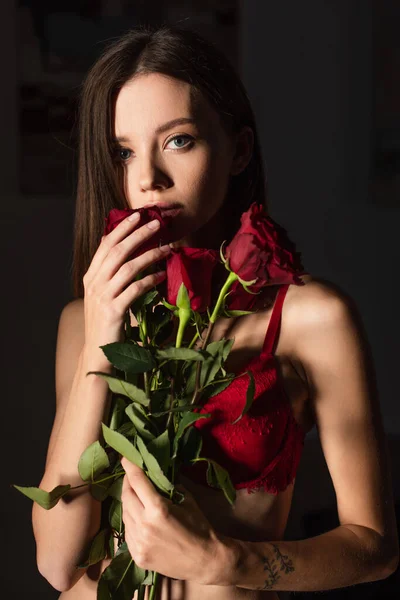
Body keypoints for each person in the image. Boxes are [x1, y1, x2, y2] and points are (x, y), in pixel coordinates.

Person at [32, 24, 399, 600]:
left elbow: (374, 549)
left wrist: (221, 561)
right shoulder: (83, 321)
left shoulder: (315, 319)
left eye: (178, 140)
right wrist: (102, 331)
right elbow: (56, 564)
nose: (147, 179)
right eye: (124, 151)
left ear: (240, 150)